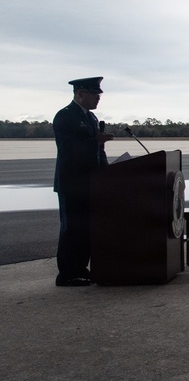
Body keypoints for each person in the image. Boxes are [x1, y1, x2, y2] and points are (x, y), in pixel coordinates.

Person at [53, 76, 113, 287]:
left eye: (98, 95)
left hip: (90, 183)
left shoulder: (91, 118)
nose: (98, 99)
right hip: (72, 183)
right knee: (72, 229)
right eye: (94, 95)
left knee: (86, 228)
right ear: (80, 94)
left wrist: (106, 174)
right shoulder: (65, 116)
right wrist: (94, 141)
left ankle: (80, 269)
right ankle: (67, 274)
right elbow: (69, 149)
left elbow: (99, 151)